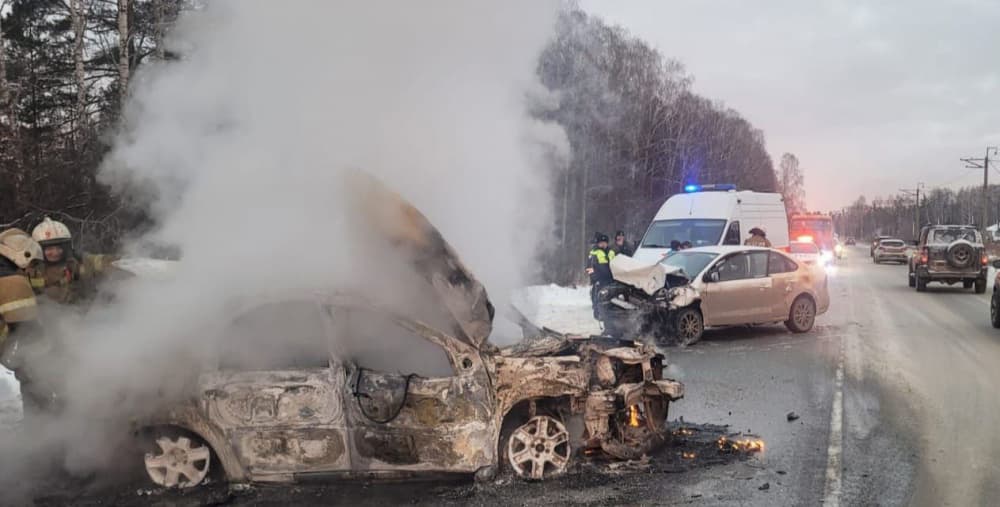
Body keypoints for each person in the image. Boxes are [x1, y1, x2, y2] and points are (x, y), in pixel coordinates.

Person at [0, 228, 53, 415]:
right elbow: (28, 336)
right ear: (23, 255)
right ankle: (44, 434)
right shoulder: (13, 283)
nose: (32, 269)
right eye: (33, 263)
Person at [28, 217, 118, 304]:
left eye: (59, 248)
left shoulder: (76, 262)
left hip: (79, 313)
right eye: (49, 249)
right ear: (38, 249)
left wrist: (119, 263)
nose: (55, 252)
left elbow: (99, 261)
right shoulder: (31, 270)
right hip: (45, 315)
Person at [586, 232, 616, 320]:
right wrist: (595, 278)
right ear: (598, 243)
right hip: (599, 281)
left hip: (611, 281)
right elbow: (589, 268)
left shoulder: (611, 252)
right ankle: (599, 315)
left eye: (604, 242)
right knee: (598, 300)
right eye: (601, 243)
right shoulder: (594, 253)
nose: (603, 244)